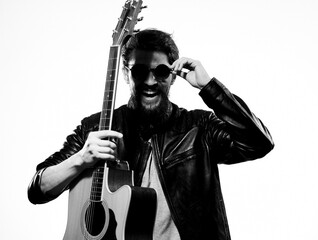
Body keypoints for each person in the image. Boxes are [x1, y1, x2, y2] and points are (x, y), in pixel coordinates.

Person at [28, 29, 274, 240]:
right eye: (139, 71)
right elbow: (37, 189)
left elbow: (259, 143)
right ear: (125, 73)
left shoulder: (199, 127)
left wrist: (208, 87)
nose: (150, 81)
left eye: (161, 72)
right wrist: (80, 159)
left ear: (173, 78)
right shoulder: (96, 128)